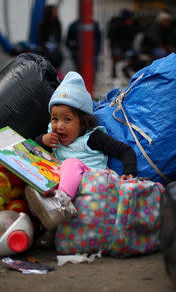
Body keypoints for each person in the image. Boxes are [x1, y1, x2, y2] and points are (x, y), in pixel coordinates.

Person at [25, 71, 137, 231]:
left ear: (83, 124)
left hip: (91, 184)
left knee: (71, 163)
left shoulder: (92, 138)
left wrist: (129, 172)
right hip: (64, 187)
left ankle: (60, 203)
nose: (59, 126)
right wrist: (42, 141)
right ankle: (46, 226)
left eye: (67, 119)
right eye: (55, 119)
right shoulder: (53, 137)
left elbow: (125, 151)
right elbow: (33, 151)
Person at [107, 9, 141, 78]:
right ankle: (114, 72)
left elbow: (130, 39)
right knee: (116, 57)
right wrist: (117, 50)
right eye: (129, 20)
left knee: (136, 57)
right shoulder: (115, 27)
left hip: (126, 47)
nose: (131, 21)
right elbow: (112, 40)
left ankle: (126, 68)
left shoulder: (130, 27)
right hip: (116, 46)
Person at [37, 5, 63, 71]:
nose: (55, 14)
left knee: (60, 56)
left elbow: (59, 38)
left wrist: (56, 46)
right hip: (46, 48)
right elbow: (41, 39)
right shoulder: (43, 24)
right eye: (53, 12)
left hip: (55, 47)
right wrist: (46, 46)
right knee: (47, 56)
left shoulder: (57, 23)